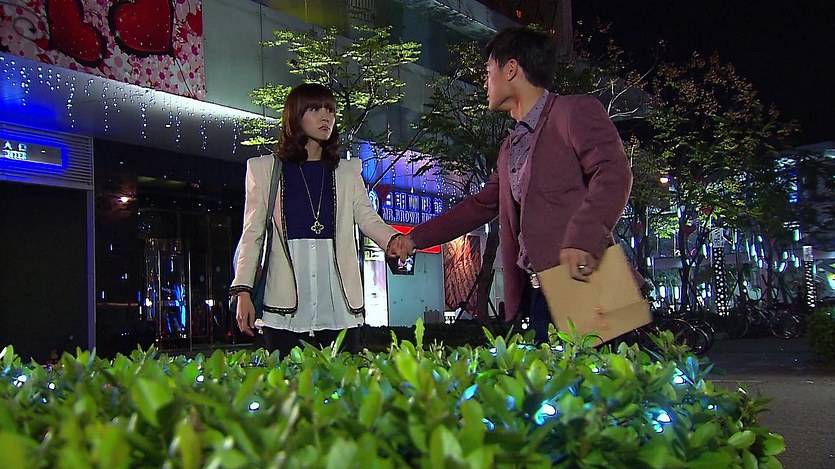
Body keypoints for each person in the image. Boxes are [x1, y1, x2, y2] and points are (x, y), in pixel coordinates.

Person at [388, 27, 632, 344]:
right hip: (538, 293)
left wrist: (584, 237)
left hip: (586, 277)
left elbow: (613, 173)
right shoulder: (510, 146)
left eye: (489, 72)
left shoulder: (573, 111)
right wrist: (414, 238)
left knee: (608, 374)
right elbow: (479, 206)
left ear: (511, 69)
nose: (485, 83)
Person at [230, 83, 401, 358]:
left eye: (330, 110)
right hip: (283, 304)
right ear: (295, 116)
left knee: (344, 380)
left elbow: (367, 217)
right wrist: (243, 291)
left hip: (338, 302)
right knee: (285, 382)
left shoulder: (347, 171)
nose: (326, 117)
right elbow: (252, 235)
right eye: (314, 109)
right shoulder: (264, 170)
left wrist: (393, 240)